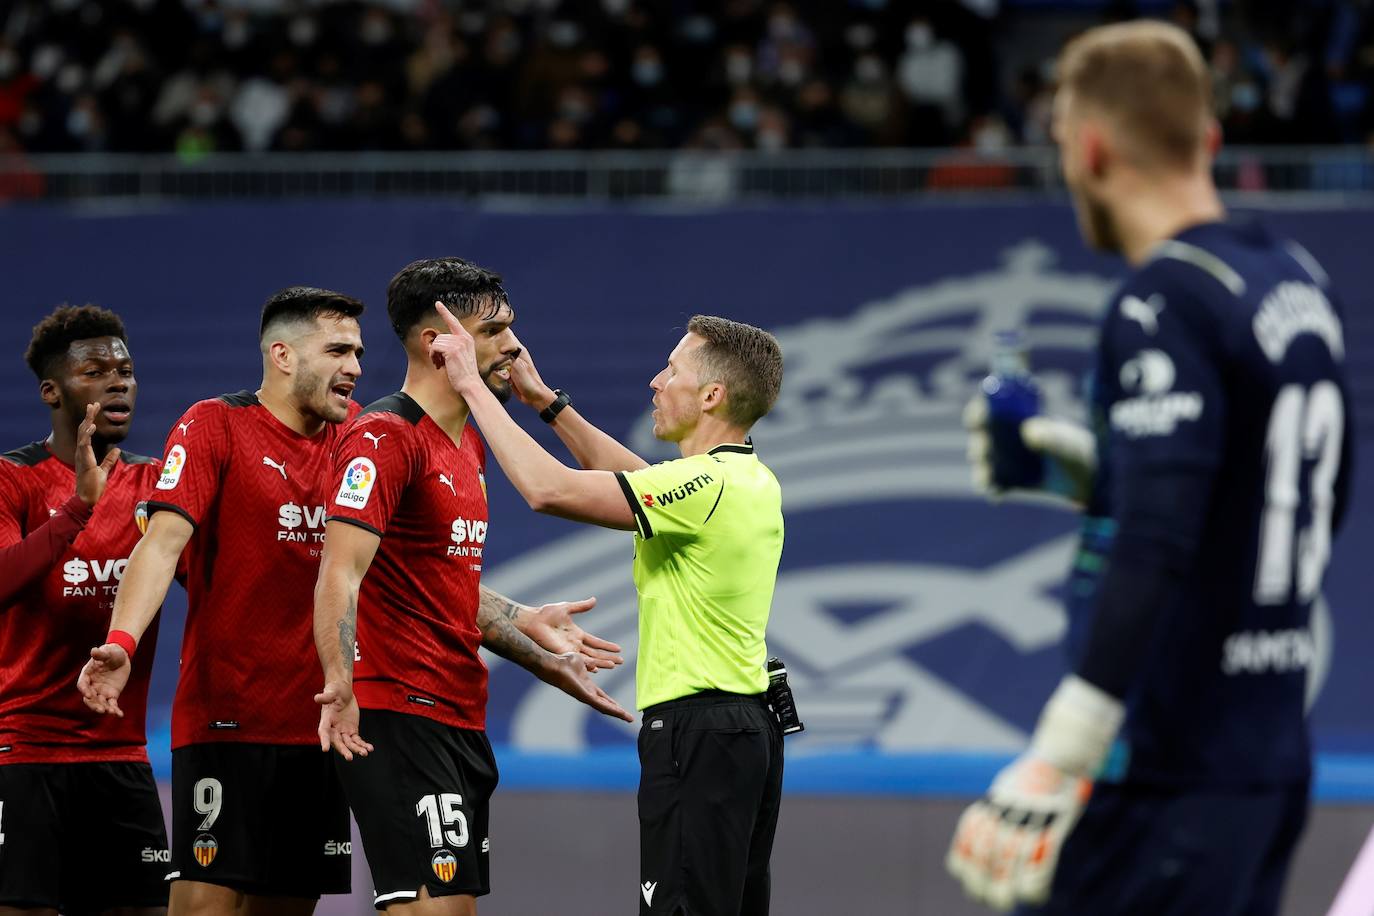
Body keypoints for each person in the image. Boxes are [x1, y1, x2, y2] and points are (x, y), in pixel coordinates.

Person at [946, 20, 1355, 914]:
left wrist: (1063, 748)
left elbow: (1163, 534)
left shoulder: (1161, 297)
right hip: (1269, 760)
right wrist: (1096, 474)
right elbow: (1301, 493)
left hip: (1165, 771)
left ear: (1089, 148)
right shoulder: (1295, 279)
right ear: (1207, 138)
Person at [78, 286, 621, 915]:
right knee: (206, 908)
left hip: (329, 721)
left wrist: (522, 622)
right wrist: (121, 643)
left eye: (359, 352)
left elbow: (409, 577)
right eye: (337, 351)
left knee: (287, 906)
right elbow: (162, 545)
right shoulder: (214, 425)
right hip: (230, 715)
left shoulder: (365, 438)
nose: (356, 367)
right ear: (282, 355)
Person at [429, 303, 787, 916]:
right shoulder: (738, 480)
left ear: (710, 395)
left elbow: (549, 490)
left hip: (698, 732)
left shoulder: (706, 487)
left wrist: (469, 383)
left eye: (671, 369)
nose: (656, 381)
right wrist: (546, 402)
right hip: (744, 730)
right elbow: (636, 478)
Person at [313, 257, 633, 914]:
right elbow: (339, 573)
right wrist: (340, 685)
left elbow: (438, 587)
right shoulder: (383, 437)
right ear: (439, 342)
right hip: (398, 714)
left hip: (457, 716)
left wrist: (534, 640)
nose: (514, 344)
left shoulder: (465, 444)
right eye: (494, 330)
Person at [0, 304, 169, 914]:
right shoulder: (12, 479)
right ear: (53, 390)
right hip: (26, 754)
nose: (118, 380)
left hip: (120, 755)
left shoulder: (155, 485)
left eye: (125, 369)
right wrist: (76, 511)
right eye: (95, 371)